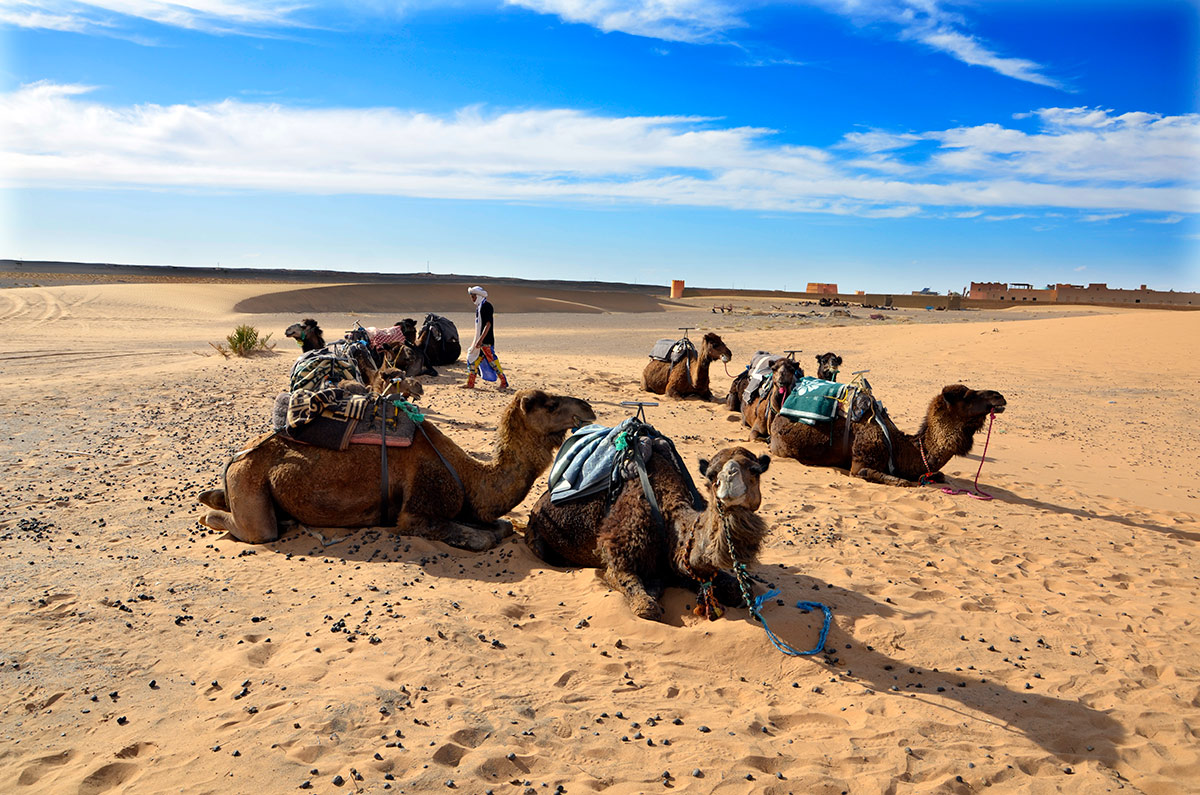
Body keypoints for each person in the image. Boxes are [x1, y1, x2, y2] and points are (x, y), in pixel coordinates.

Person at [460, 285, 508, 390]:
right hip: (479, 341)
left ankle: (504, 382)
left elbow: (488, 324)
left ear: (479, 296)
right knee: (473, 360)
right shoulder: (479, 307)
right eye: (471, 297)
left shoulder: (486, 306)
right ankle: (470, 383)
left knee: (492, 362)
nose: (472, 299)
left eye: (473, 296)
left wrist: (481, 340)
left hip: (486, 341)